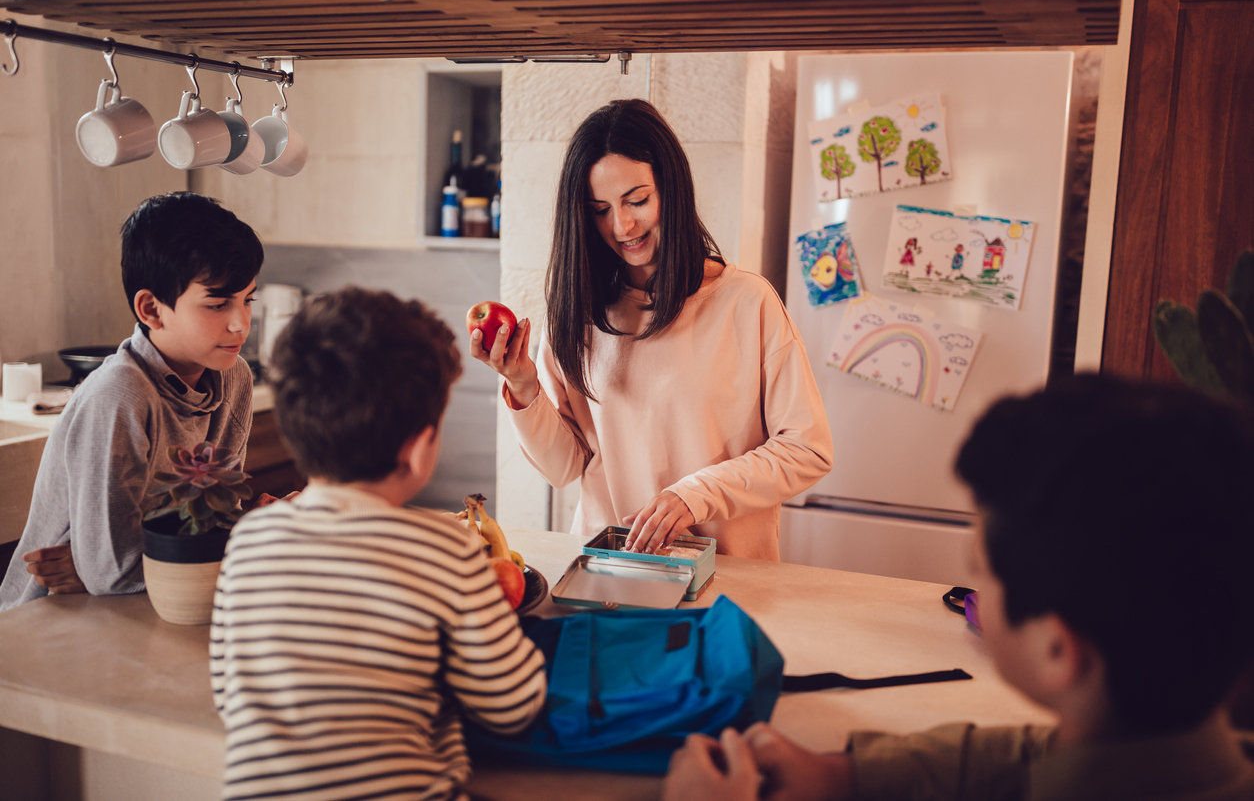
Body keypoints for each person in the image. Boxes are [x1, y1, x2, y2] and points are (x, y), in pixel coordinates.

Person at [662, 373, 1254, 800]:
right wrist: (845, 775)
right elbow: (1032, 758)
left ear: (1056, 649)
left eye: (979, 572)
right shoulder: (1164, 746)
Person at [211, 286, 546, 801]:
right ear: (418, 450)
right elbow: (514, 704)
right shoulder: (445, 549)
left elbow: (229, 694)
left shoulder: (251, 539)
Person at [471, 98, 833, 559]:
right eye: (599, 209)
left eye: (637, 200)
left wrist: (694, 494)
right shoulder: (578, 311)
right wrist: (522, 384)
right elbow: (565, 468)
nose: (621, 225)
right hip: (607, 572)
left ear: (671, 188)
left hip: (728, 581)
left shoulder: (747, 302)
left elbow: (808, 448)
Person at [0, 192, 262, 610]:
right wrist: (243, 542)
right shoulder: (120, 395)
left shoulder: (235, 377)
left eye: (248, 299)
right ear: (152, 310)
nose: (240, 323)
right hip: (48, 614)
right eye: (217, 304)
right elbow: (113, 572)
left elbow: (214, 521)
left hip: (149, 603)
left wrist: (244, 531)